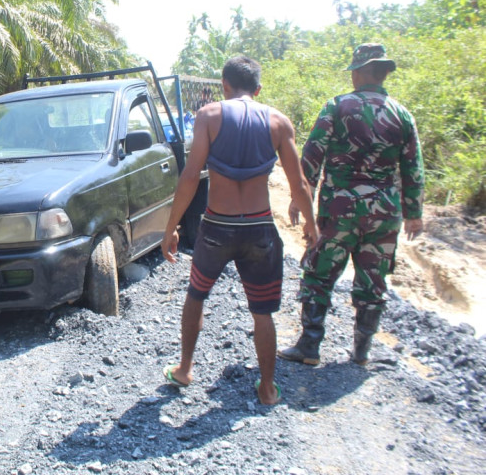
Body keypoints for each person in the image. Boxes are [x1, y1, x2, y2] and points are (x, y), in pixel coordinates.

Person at [160, 56, 318, 405]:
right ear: (258, 89)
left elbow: (190, 177)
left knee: (196, 295)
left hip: (217, 227)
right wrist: (312, 227)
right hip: (259, 228)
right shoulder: (278, 121)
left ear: (224, 85)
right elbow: (300, 184)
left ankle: (185, 369)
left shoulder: (209, 116)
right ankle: (266, 388)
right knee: (262, 313)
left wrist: (171, 228)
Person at [280, 43, 424, 367]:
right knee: (374, 281)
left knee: (319, 274)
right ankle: (361, 353)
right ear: (384, 73)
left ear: (359, 73)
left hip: (339, 213)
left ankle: (309, 346)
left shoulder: (337, 107)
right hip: (384, 215)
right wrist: (414, 215)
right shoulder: (403, 115)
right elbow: (413, 168)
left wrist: (298, 199)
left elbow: (312, 156)